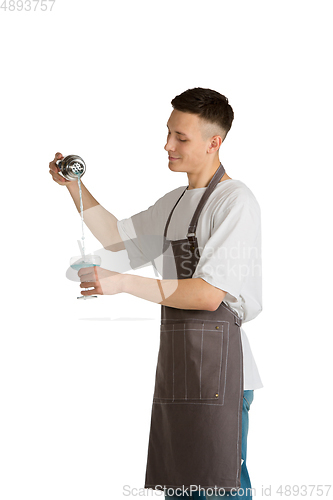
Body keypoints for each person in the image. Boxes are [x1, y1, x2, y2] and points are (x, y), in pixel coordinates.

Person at [49, 87, 263, 499]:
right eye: (168, 133)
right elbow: (117, 239)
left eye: (180, 138)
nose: (167, 145)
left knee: (217, 489)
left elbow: (206, 295)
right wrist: (74, 188)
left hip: (222, 373)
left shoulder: (236, 201)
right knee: (180, 489)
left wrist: (124, 283)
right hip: (179, 367)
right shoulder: (175, 202)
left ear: (213, 142)